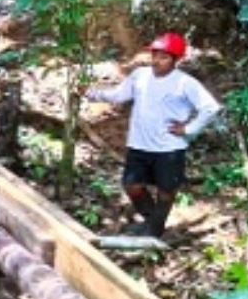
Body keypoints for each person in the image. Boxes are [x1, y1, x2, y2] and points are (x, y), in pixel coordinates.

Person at [84, 32, 220, 238]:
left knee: (166, 190)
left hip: (169, 147)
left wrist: (188, 129)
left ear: (175, 60)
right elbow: (119, 94)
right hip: (139, 144)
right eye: (155, 55)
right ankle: (150, 220)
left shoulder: (184, 83)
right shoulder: (140, 75)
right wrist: (92, 93)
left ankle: (154, 230)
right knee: (131, 185)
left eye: (163, 57)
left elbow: (210, 108)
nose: (156, 61)